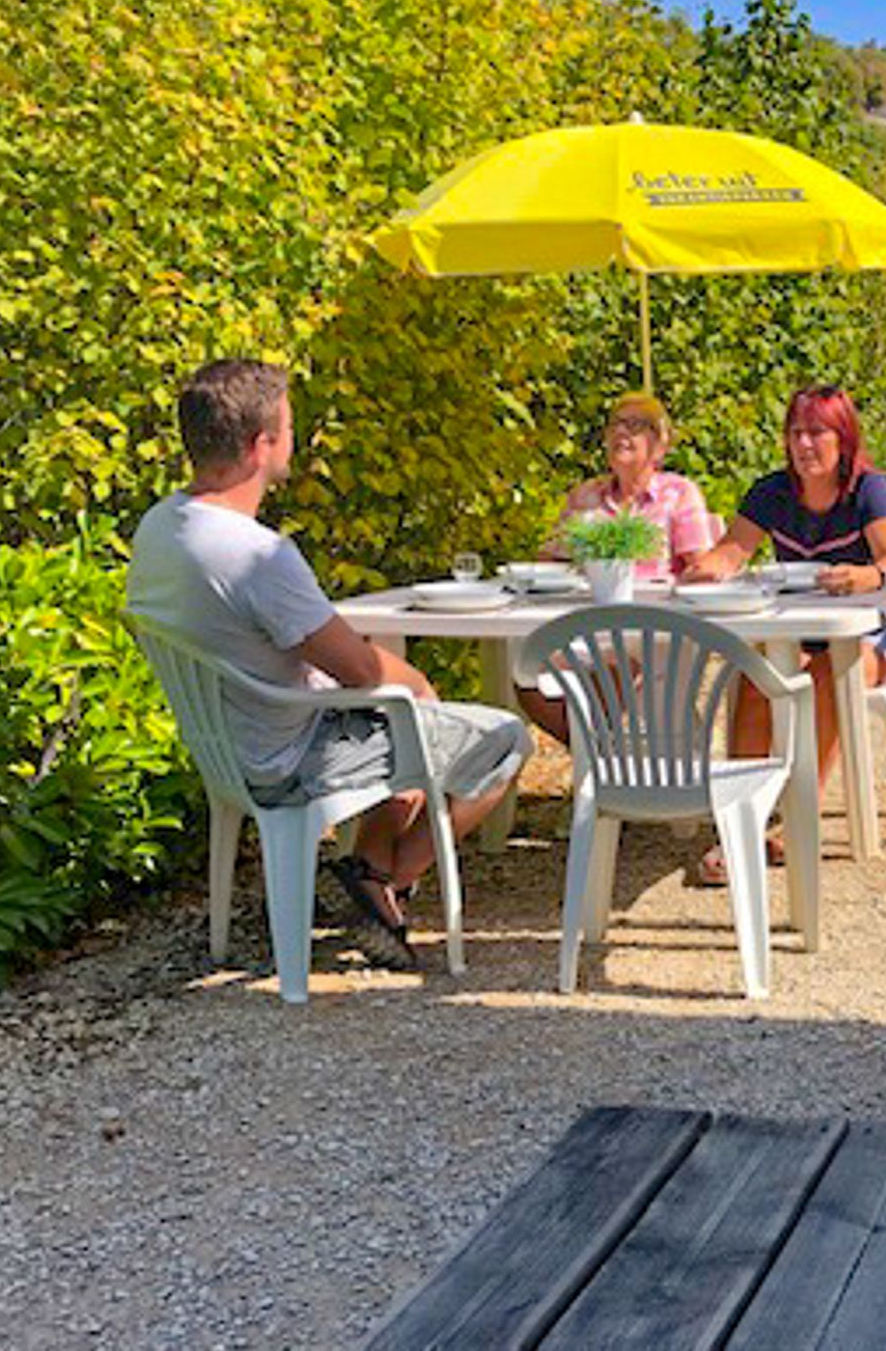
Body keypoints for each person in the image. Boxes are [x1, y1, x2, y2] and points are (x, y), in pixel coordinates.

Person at [128, 359, 531, 963]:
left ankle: (368, 869)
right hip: (290, 758)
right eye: (289, 427)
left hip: (228, 747)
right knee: (503, 738)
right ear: (260, 445)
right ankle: (382, 881)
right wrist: (418, 683)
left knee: (407, 724)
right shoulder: (256, 555)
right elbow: (361, 671)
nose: (294, 437)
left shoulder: (159, 526)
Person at [681, 385, 886, 886]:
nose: (804, 444)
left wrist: (865, 576)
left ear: (843, 438)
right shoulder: (772, 491)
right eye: (796, 432)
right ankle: (742, 821)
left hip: (869, 639)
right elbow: (733, 550)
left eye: (817, 433)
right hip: (798, 634)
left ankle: (802, 813)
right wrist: (707, 567)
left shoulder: (868, 489)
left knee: (830, 674)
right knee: (752, 673)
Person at [516, 391, 719, 744]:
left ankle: (599, 753)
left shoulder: (678, 493)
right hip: (587, 626)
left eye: (636, 425)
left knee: (618, 666)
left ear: (659, 446)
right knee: (525, 671)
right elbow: (547, 564)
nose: (622, 433)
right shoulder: (585, 497)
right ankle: (597, 751)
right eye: (616, 424)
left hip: (656, 630)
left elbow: (703, 569)